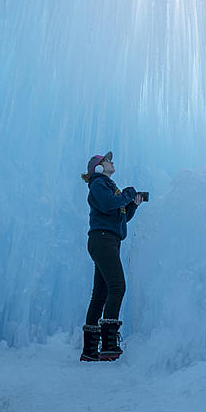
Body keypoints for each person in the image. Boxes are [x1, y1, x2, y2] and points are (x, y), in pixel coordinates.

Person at [79, 151, 144, 362]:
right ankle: (108, 344)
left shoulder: (108, 187)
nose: (112, 162)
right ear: (98, 167)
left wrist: (132, 203)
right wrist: (126, 194)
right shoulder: (98, 184)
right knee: (117, 287)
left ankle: (90, 350)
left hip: (108, 240)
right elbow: (108, 204)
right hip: (103, 240)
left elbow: (120, 217)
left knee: (100, 294)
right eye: (107, 160)